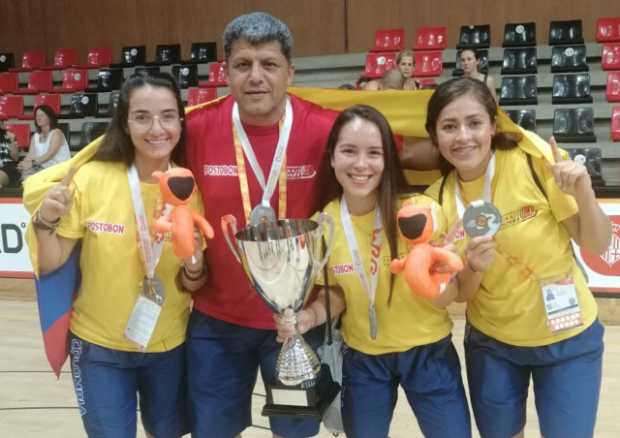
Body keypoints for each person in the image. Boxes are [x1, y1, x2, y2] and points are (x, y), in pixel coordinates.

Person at [183, 11, 439, 438]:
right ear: (225, 71)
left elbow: (411, 153)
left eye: (269, 64)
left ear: (290, 72)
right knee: (211, 432)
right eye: (243, 65)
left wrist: (494, 143)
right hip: (217, 323)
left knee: (296, 433)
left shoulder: (325, 128)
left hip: (300, 322)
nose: (256, 76)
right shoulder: (193, 130)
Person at [424, 77, 610, 438]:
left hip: (567, 337)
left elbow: (597, 243)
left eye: (474, 123)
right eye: (449, 126)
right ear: (435, 136)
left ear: (493, 126)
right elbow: (461, 293)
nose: (463, 136)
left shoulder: (533, 164)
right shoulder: (438, 202)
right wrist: (475, 268)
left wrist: (585, 193)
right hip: (493, 346)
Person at [276, 104, 472, 438]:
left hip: (429, 353)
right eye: (349, 151)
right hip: (364, 360)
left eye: (374, 153)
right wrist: (310, 316)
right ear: (333, 158)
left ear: (387, 160)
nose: (361, 164)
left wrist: (445, 273)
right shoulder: (326, 222)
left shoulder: (419, 212)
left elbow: (450, 287)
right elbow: (336, 293)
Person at [30, 72, 206, 438]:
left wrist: (194, 264)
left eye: (168, 116)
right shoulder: (91, 179)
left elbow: (194, 282)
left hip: (168, 344)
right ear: (125, 123)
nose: (156, 128)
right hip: (98, 349)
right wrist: (45, 220)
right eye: (142, 116)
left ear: (181, 121)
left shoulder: (190, 185)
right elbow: (51, 262)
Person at [18, 105, 70, 179]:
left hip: (58, 168)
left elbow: (49, 155)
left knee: (29, 174)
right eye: (37, 116)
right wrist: (24, 163)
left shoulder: (57, 133)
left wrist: (31, 163)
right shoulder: (35, 136)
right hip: (42, 167)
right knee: (25, 171)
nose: (38, 118)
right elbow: (30, 155)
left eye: (41, 115)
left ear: (50, 117)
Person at [0, 118, 20, 188]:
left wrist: (12, 141)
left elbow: (15, 158)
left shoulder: (9, 135)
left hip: (7, 169)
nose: (2, 122)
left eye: (2, 120)